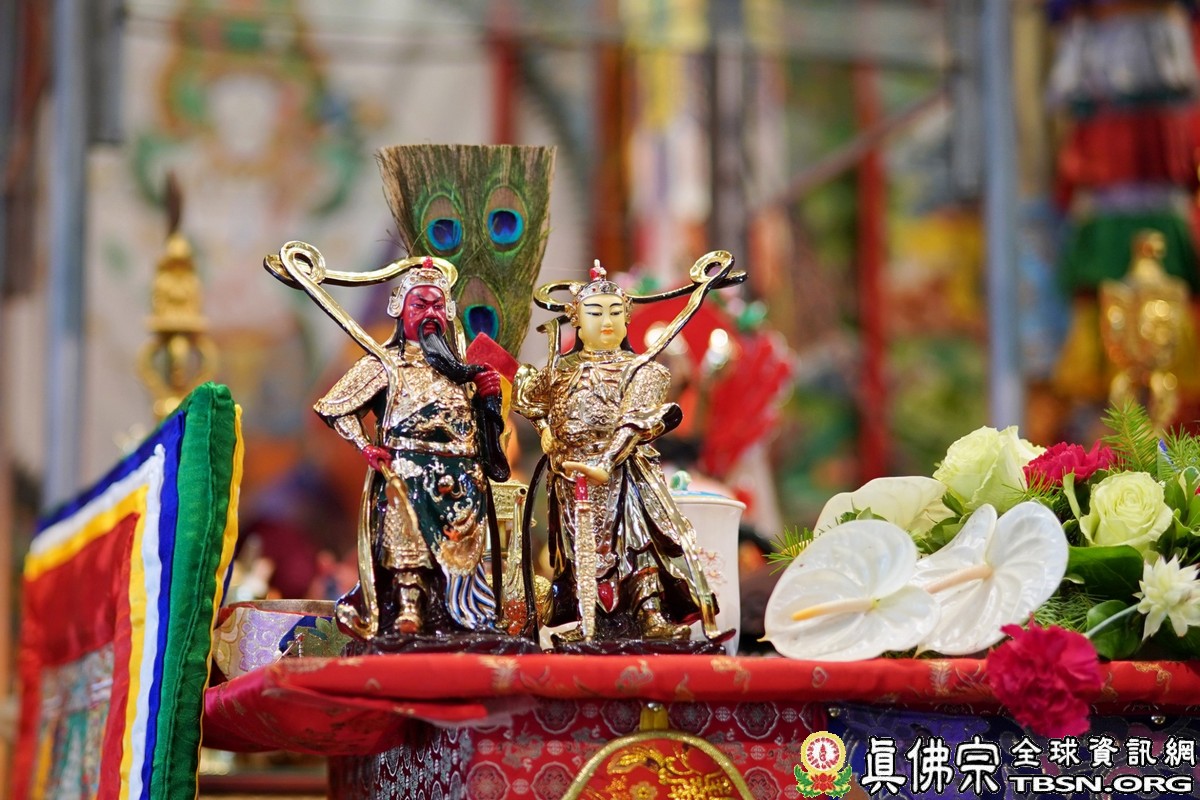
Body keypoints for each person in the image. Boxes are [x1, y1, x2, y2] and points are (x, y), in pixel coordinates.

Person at [514, 264, 719, 643]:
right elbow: (527, 398)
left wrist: (607, 461)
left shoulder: (641, 370)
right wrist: (545, 430)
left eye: (614, 313)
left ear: (626, 321)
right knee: (580, 548)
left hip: (625, 473)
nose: (606, 322)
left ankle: (649, 612)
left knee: (636, 542)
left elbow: (637, 421)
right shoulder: (559, 370)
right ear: (576, 321)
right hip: (571, 474)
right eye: (595, 313)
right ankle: (588, 618)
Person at [314, 257, 505, 637]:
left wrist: (488, 399)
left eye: (437, 305)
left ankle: (467, 614)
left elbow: (481, 426)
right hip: (408, 471)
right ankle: (408, 608)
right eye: (420, 305)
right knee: (407, 534)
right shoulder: (385, 364)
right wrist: (365, 446)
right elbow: (335, 408)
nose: (429, 313)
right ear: (400, 310)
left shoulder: (461, 370)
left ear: (448, 313)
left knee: (467, 551)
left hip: (461, 473)